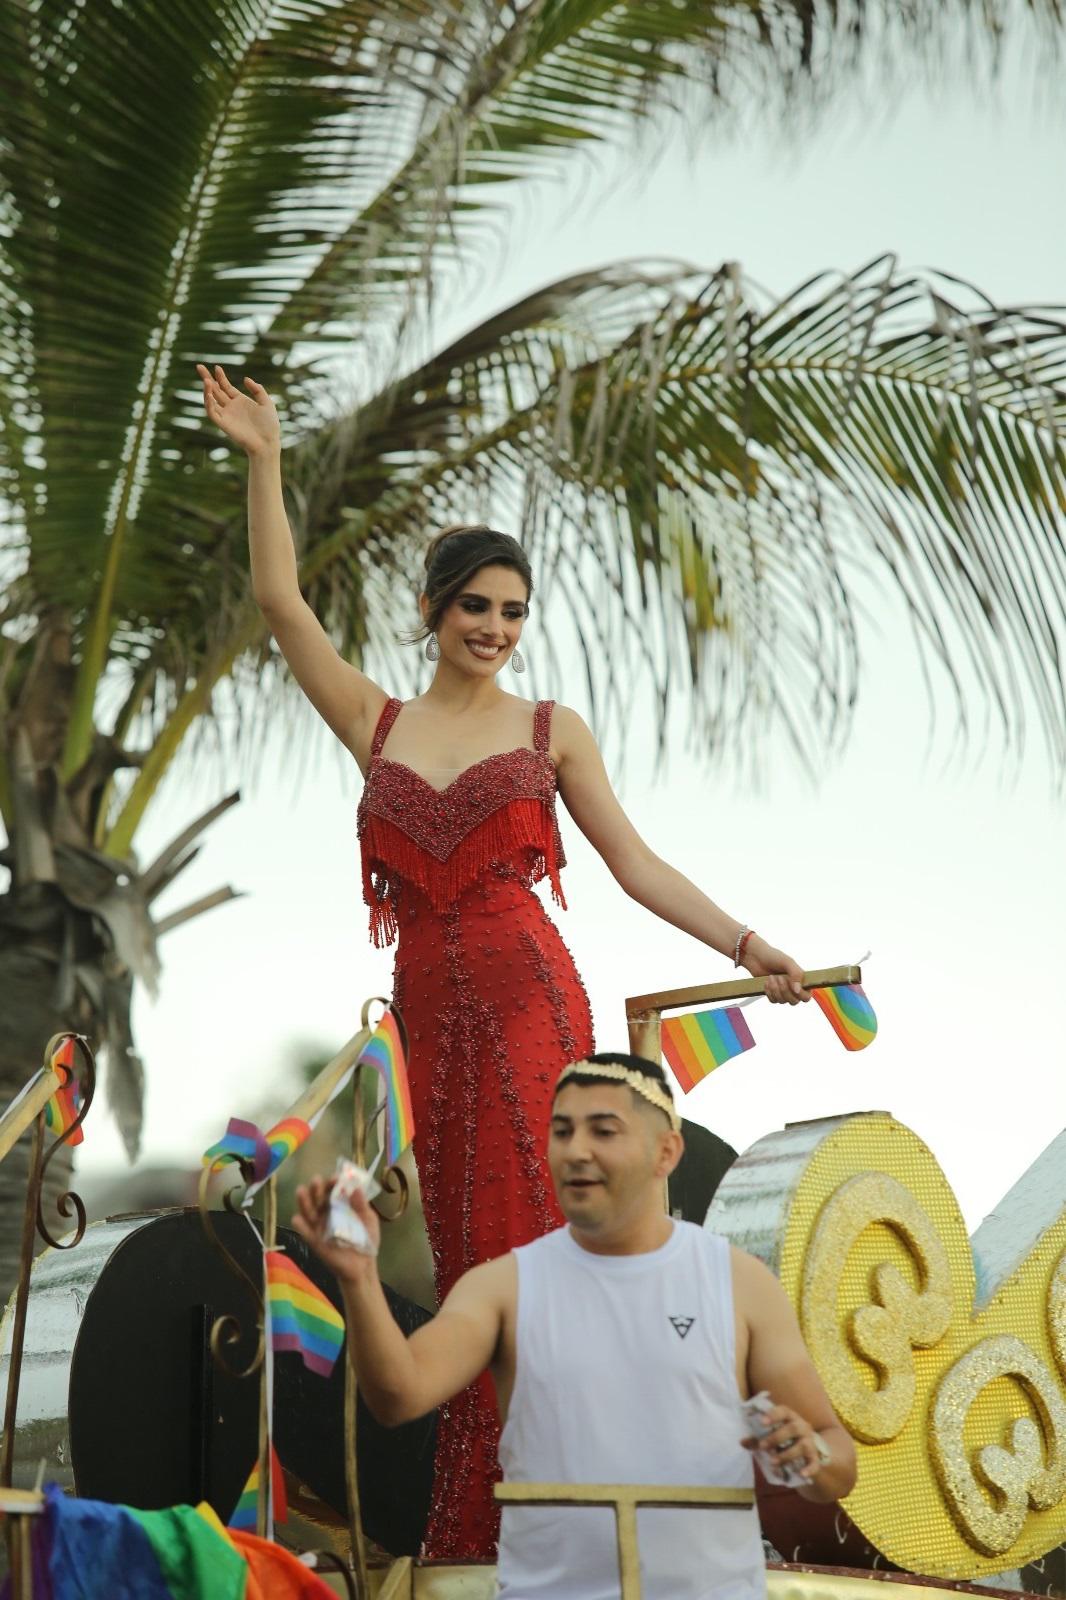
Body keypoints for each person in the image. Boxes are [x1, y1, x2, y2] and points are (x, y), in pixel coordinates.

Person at [198, 363, 813, 1559]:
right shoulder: (376, 722)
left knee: (551, 1226)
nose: (494, 627)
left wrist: (748, 946)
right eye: (475, 605)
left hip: (533, 1000)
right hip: (432, 1020)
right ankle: (494, 1521)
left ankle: (588, 1500)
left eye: (513, 611)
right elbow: (280, 605)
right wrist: (266, 460)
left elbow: (632, 863)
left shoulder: (549, 728)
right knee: (480, 1255)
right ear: (433, 610)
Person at [292, 1053, 857, 1598]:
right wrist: (360, 1279)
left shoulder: (740, 1283)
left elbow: (836, 1462)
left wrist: (809, 1454)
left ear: (666, 1152)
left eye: (603, 1132)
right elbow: (398, 1393)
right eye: (562, 1132)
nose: (576, 1152)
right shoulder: (504, 1286)